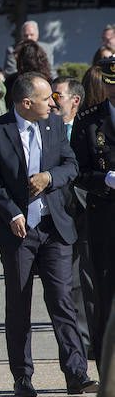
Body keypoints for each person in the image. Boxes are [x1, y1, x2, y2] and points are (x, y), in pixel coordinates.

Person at [0, 72, 97, 397]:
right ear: (26, 102)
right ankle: (22, 376)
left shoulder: (55, 125)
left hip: (54, 228)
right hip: (18, 231)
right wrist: (12, 212)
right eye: (47, 98)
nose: (54, 103)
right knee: (18, 304)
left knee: (62, 300)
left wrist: (49, 176)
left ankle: (76, 373)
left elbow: (71, 165)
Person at [71, 58, 115, 362]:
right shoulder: (88, 120)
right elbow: (77, 171)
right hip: (105, 217)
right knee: (104, 290)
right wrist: (105, 180)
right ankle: (103, 358)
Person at [51, 76, 94, 357]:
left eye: (57, 97)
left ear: (74, 101)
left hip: (89, 210)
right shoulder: (47, 129)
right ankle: (80, 342)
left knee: (90, 279)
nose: (52, 102)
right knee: (68, 283)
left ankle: (94, 337)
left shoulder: (88, 127)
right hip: (58, 213)